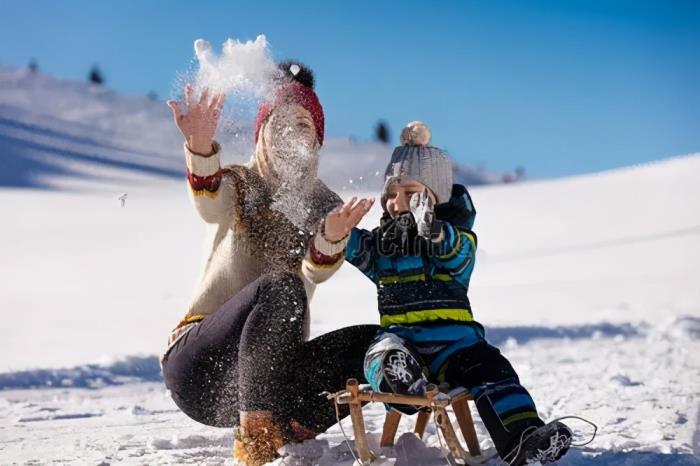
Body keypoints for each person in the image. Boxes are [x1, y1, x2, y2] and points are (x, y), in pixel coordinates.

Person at [316, 121, 573, 465]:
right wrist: (335, 233)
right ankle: (400, 379)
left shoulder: (454, 241)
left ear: (435, 198)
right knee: (379, 352)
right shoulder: (380, 248)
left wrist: (435, 229)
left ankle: (523, 437)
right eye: (391, 194)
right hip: (404, 345)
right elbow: (346, 245)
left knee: (495, 372)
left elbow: (458, 253)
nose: (396, 202)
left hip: (459, 347)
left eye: (411, 193)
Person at [161, 61, 378, 465]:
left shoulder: (321, 202)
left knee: (373, 344)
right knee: (282, 286)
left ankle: (290, 428)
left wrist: (331, 238)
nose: (292, 133)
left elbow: (316, 270)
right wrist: (201, 150)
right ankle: (257, 443)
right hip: (201, 369)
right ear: (262, 133)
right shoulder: (241, 183)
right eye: (281, 123)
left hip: (267, 377)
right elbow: (210, 203)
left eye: (303, 125)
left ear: (316, 141)